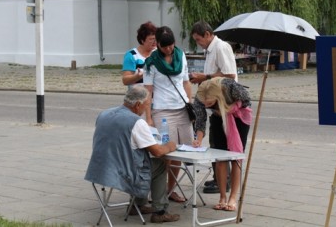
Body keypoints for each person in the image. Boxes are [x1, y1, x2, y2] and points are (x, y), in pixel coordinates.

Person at [84, 86, 180, 223]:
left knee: (140, 161)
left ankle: (137, 205)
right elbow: (157, 151)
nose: (147, 108)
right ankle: (160, 211)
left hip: (99, 169)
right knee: (160, 164)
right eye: (147, 105)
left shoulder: (104, 114)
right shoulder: (136, 122)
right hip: (122, 173)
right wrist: (170, 145)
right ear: (138, 104)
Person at [143, 26, 193, 203]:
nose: (169, 49)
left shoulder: (181, 56)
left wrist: (189, 102)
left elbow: (186, 82)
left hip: (182, 110)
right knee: (166, 152)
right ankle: (158, 192)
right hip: (162, 111)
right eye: (165, 47)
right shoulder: (150, 62)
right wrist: (148, 118)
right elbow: (147, 91)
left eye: (171, 45)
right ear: (158, 45)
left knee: (182, 151)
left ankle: (170, 189)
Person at [190, 20, 237, 194]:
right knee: (215, 142)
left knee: (221, 144)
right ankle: (219, 178)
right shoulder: (209, 50)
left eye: (198, 39)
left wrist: (205, 76)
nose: (198, 43)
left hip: (224, 104)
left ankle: (224, 180)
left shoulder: (220, 47)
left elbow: (230, 75)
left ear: (208, 34)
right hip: (213, 103)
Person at [192, 77, 252, 211]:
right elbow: (200, 120)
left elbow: (247, 100)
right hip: (218, 116)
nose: (207, 106)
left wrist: (230, 109)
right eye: (206, 104)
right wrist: (198, 139)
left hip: (238, 117)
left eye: (211, 103)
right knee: (219, 157)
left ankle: (233, 198)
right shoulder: (200, 97)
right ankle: (222, 197)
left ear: (218, 97)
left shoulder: (229, 86)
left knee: (236, 157)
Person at [122, 21, 157, 87]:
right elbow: (125, 80)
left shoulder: (158, 53)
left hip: (156, 96)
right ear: (142, 40)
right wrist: (137, 76)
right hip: (137, 95)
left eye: (156, 39)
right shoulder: (131, 55)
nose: (155, 42)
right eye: (151, 39)